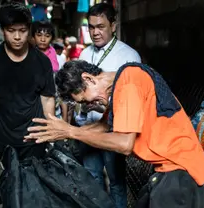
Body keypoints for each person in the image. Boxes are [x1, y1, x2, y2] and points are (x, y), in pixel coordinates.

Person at [25, 60, 204, 208]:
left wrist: (70, 131)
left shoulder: (129, 81)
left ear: (89, 79)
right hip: (168, 171)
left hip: (183, 173)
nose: (89, 104)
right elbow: (104, 126)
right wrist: (59, 132)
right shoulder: (121, 86)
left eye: (85, 99)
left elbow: (124, 144)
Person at [70, 3, 141, 208]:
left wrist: (103, 107)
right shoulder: (83, 55)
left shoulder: (129, 56)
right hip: (88, 129)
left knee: (117, 181)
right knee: (91, 178)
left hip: (113, 129)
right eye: (91, 27)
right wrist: (82, 110)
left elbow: (133, 98)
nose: (95, 32)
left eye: (100, 26)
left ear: (113, 25)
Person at [0, 2, 55, 163]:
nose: (17, 37)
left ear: (29, 30)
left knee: (34, 185)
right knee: (9, 185)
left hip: (35, 138)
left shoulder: (42, 62)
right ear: (2, 30)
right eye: (11, 31)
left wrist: (50, 133)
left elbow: (47, 99)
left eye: (23, 31)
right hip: (4, 139)